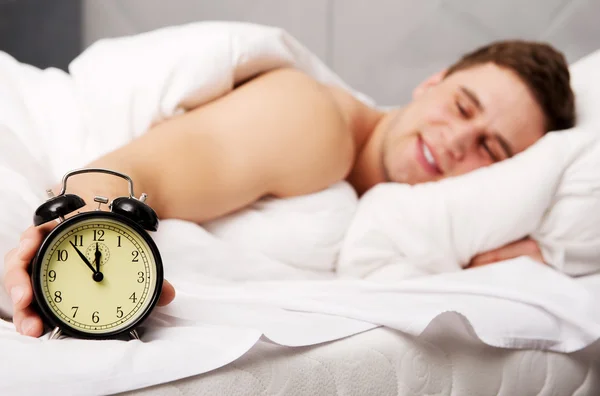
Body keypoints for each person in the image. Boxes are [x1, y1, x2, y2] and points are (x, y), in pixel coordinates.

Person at [3, 39, 576, 337]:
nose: (458, 141)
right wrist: (73, 235)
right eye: (462, 107)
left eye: (491, 149)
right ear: (433, 83)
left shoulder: (400, 222)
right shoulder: (314, 123)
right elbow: (128, 176)